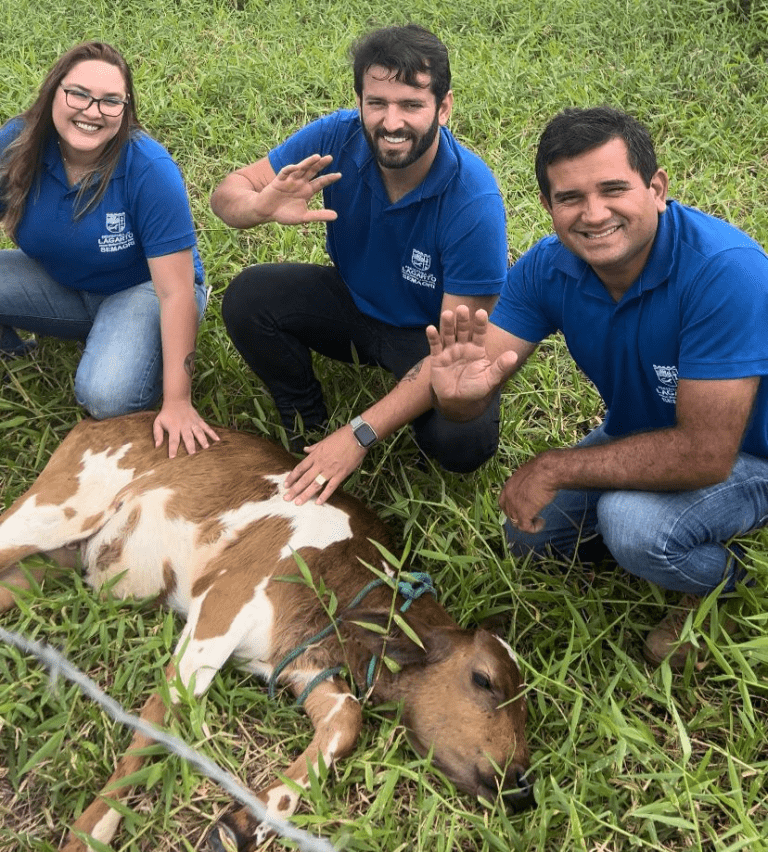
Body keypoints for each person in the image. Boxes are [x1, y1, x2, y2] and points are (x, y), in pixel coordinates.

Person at [426, 106, 768, 669]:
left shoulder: (723, 271)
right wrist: (458, 396)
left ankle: (728, 583)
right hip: (644, 431)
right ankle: (656, 543)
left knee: (631, 526)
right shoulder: (548, 269)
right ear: (548, 207)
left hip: (747, 452)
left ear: (656, 188)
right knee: (529, 536)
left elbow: (707, 453)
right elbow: (473, 387)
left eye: (614, 189)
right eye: (570, 198)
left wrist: (556, 467)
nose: (594, 214)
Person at [210, 24, 507, 504]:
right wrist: (259, 206)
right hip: (353, 302)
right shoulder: (337, 136)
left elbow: (454, 350)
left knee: (461, 443)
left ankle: (345, 435)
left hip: (428, 334)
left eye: (412, 104)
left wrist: (359, 434)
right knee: (249, 297)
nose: (392, 122)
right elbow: (227, 194)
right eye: (378, 103)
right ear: (360, 102)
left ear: (444, 108)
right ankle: (304, 417)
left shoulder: (473, 201)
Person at [0, 41, 219, 457]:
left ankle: (134, 349)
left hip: (143, 289)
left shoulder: (149, 168)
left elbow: (174, 292)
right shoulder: (17, 144)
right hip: (64, 280)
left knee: (106, 396)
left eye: (110, 101)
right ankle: (13, 347)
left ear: (125, 108)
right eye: (78, 94)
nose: (92, 111)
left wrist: (178, 402)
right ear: (54, 92)